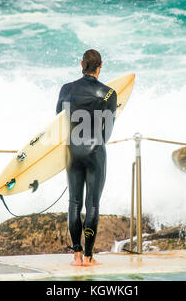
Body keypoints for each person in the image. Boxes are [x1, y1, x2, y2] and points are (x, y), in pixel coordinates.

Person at [56, 49, 117, 266]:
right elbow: (107, 132)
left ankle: (76, 256)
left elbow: (58, 120)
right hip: (95, 151)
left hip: (72, 150)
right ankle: (90, 257)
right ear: (101, 66)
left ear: (81, 64)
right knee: (92, 204)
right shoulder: (109, 94)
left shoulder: (66, 89)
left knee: (74, 202)